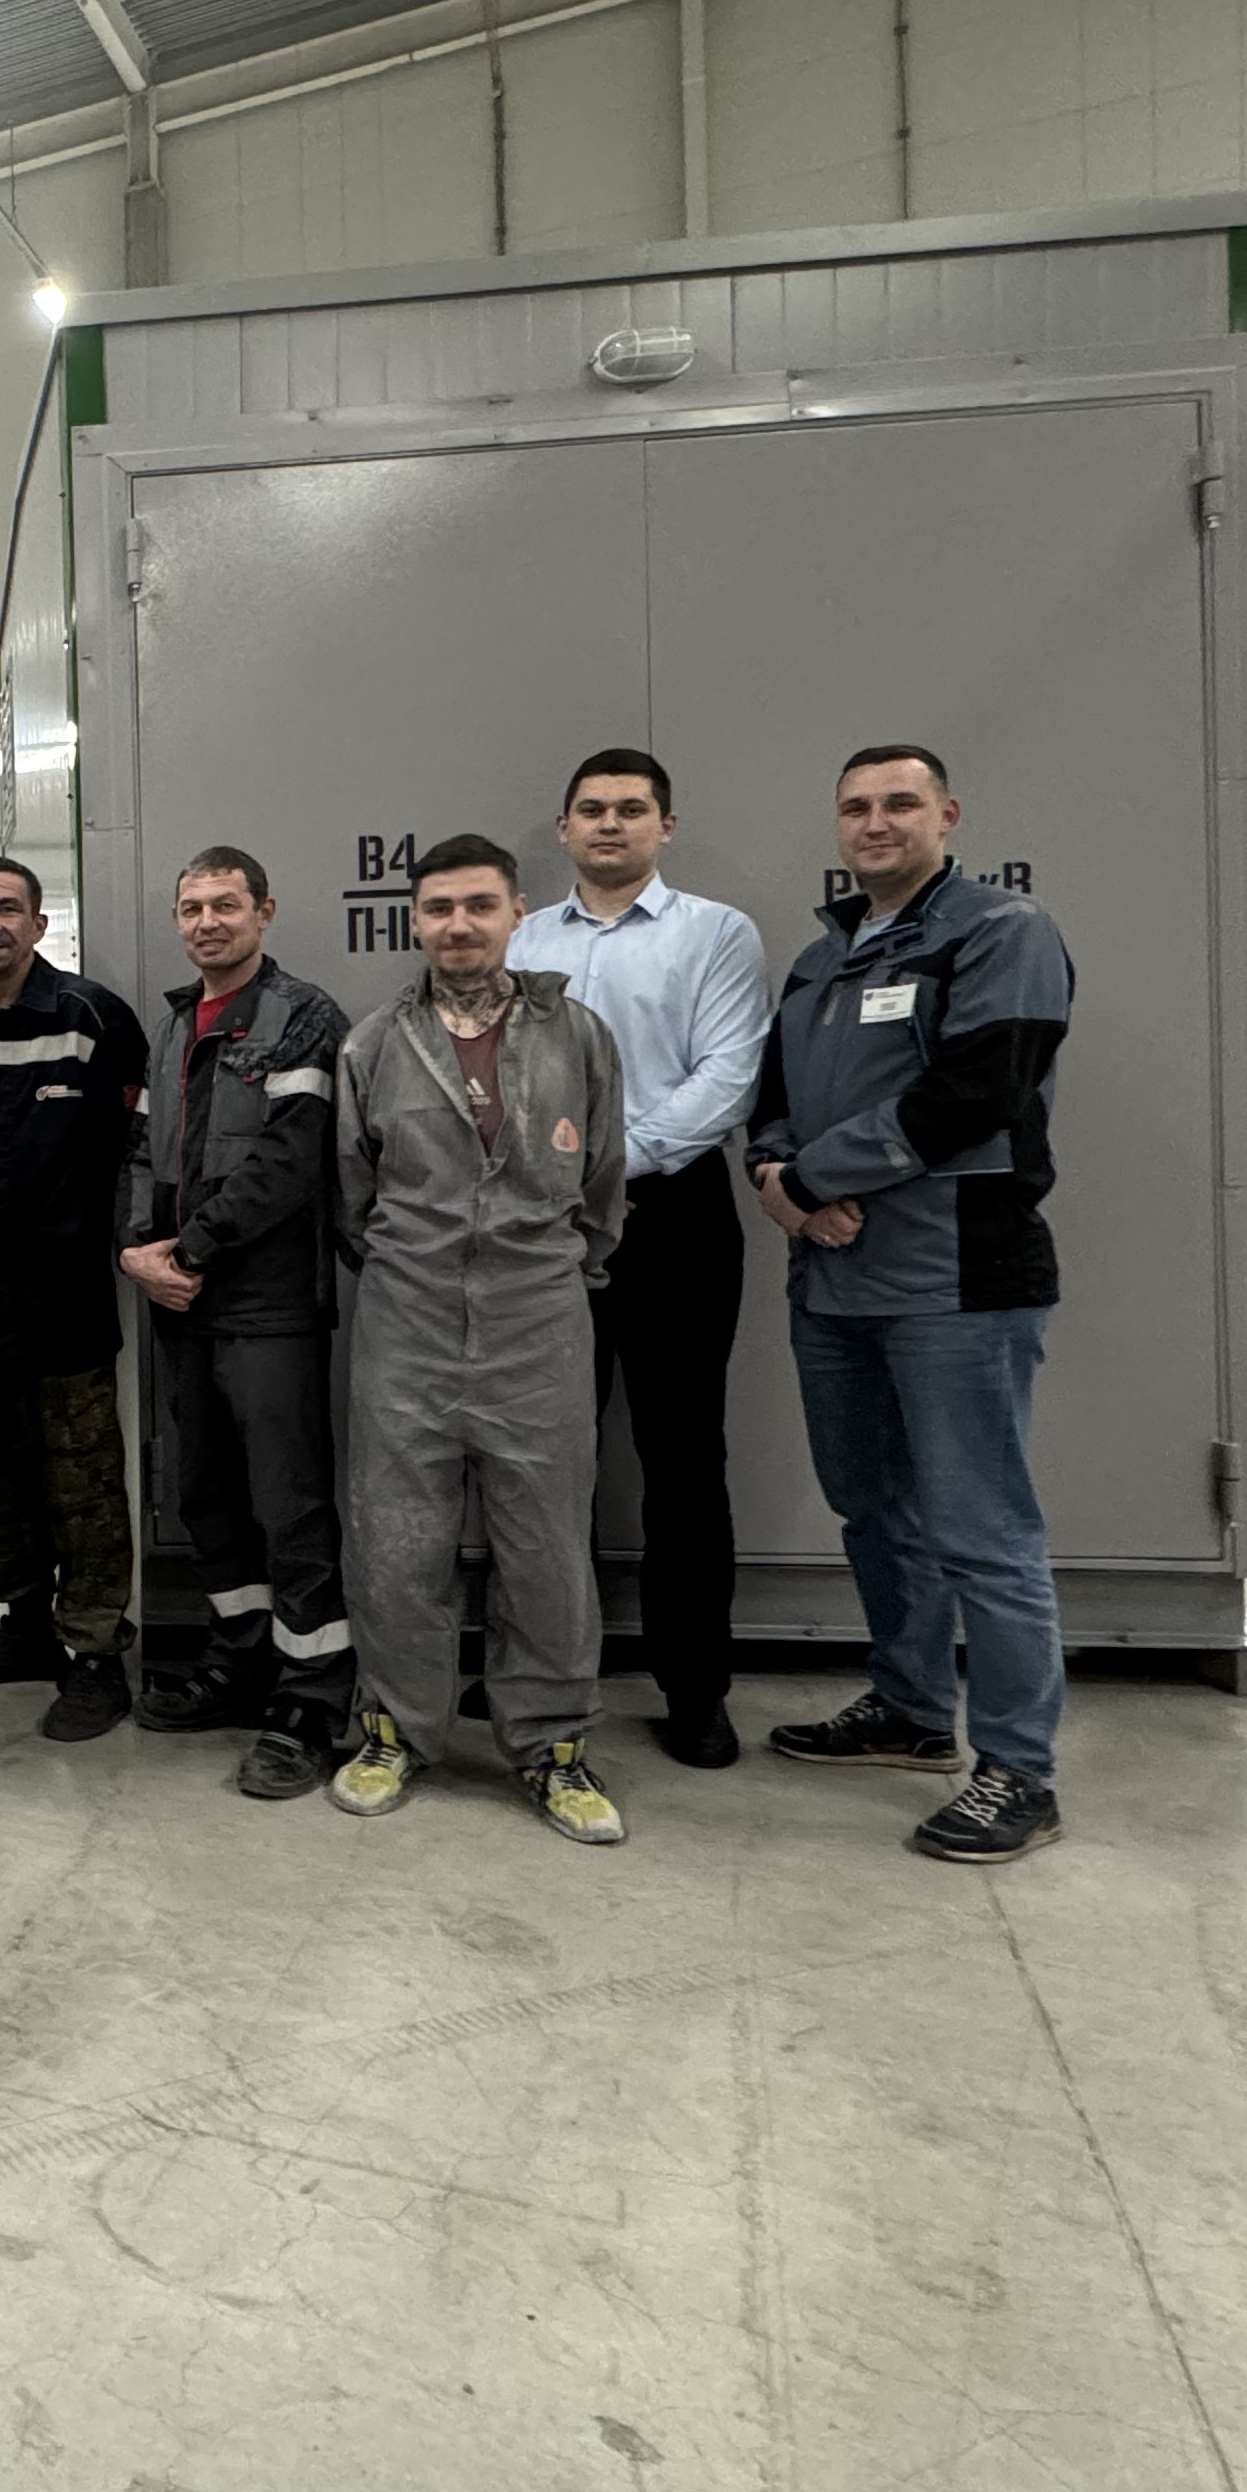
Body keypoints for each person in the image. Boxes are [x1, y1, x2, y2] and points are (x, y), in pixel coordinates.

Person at [748, 745, 1080, 1864]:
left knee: (981, 1530)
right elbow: (771, 1102)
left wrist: (813, 1180)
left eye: (900, 803)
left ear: (948, 814)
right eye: (856, 807)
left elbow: (974, 1094)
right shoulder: (820, 960)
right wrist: (776, 1180)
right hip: (833, 1277)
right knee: (874, 1511)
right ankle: (909, 1709)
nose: (875, 822)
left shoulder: (1000, 933)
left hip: (956, 1278)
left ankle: (1021, 1772)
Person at [325, 834, 631, 1844]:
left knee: (546, 1545)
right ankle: (395, 1731)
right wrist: (421, 1267)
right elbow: (352, 1195)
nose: (459, 926)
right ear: (415, 920)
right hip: (405, 1320)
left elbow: (603, 1186)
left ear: (515, 913)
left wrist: (545, 1270)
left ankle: (551, 1746)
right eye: (439, 908)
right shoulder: (375, 1044)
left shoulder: (578, 1036)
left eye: (480, 906)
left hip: (538, 1319)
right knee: (396, 1538)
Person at [506, 751, 772, 1768]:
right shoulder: (523, 940)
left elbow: (727, 1075)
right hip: (544, 1223)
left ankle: (695, 1687)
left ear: (666, 826)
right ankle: (545, 1671)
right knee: (544, 1462)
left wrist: (617, 1166)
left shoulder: (715, 933)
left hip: (676, 1218)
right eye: (591, 810)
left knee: (684, 1460)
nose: (609, 824)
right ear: (563, 829)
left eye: (631, 809)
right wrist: (563, 1182)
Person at [117, 846, 358, 1794]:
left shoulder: (303, 1018)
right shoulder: (174, 1026)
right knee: (207, 1497)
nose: (207, 922)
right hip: (183, 1304)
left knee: (290, 1505)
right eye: (192, 908)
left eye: (225, 905)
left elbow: (290, 1163)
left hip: (266, 1307)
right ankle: (240, 1658)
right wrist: (137, 1248)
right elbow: (142, 1151)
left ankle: (312, 1699)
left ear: (265, 911)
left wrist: (187, 1253)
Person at [0, 857, 150, 1743]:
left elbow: (132, 1151)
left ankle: (96, 1654)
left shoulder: (90, 1018)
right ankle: (25, 1622)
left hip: (63, 1299)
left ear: (37, 923)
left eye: (7, 908)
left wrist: (126, 1243)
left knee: (83, 1483)